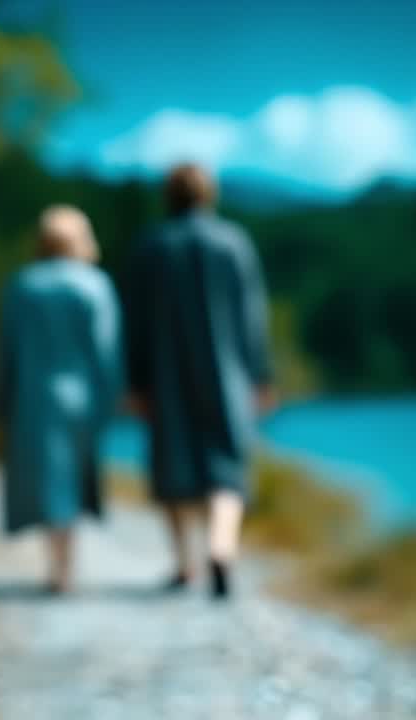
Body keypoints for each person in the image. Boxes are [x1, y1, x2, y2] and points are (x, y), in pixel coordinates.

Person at [123, 164, 276, 600]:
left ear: (168, 196)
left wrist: (136, 381)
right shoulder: (234, 243)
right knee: (226, 466)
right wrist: (260, 374)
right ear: (209, 195)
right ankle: (221, 546)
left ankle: (184, 564)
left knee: (171, 463)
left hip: (166, 376)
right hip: (227, 374)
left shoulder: (151, 247)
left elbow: (134, 324)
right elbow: (253, 318)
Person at [0, 205, 123, 594]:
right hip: (82, 395)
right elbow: (107, 350)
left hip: (33, 395)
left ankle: (56, 566)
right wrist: (111, 397)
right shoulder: (96, 285)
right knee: (72, 476)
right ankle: (66, 564)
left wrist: (2, 399)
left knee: (48, 478)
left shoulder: (23, 285)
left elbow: (7, 351)